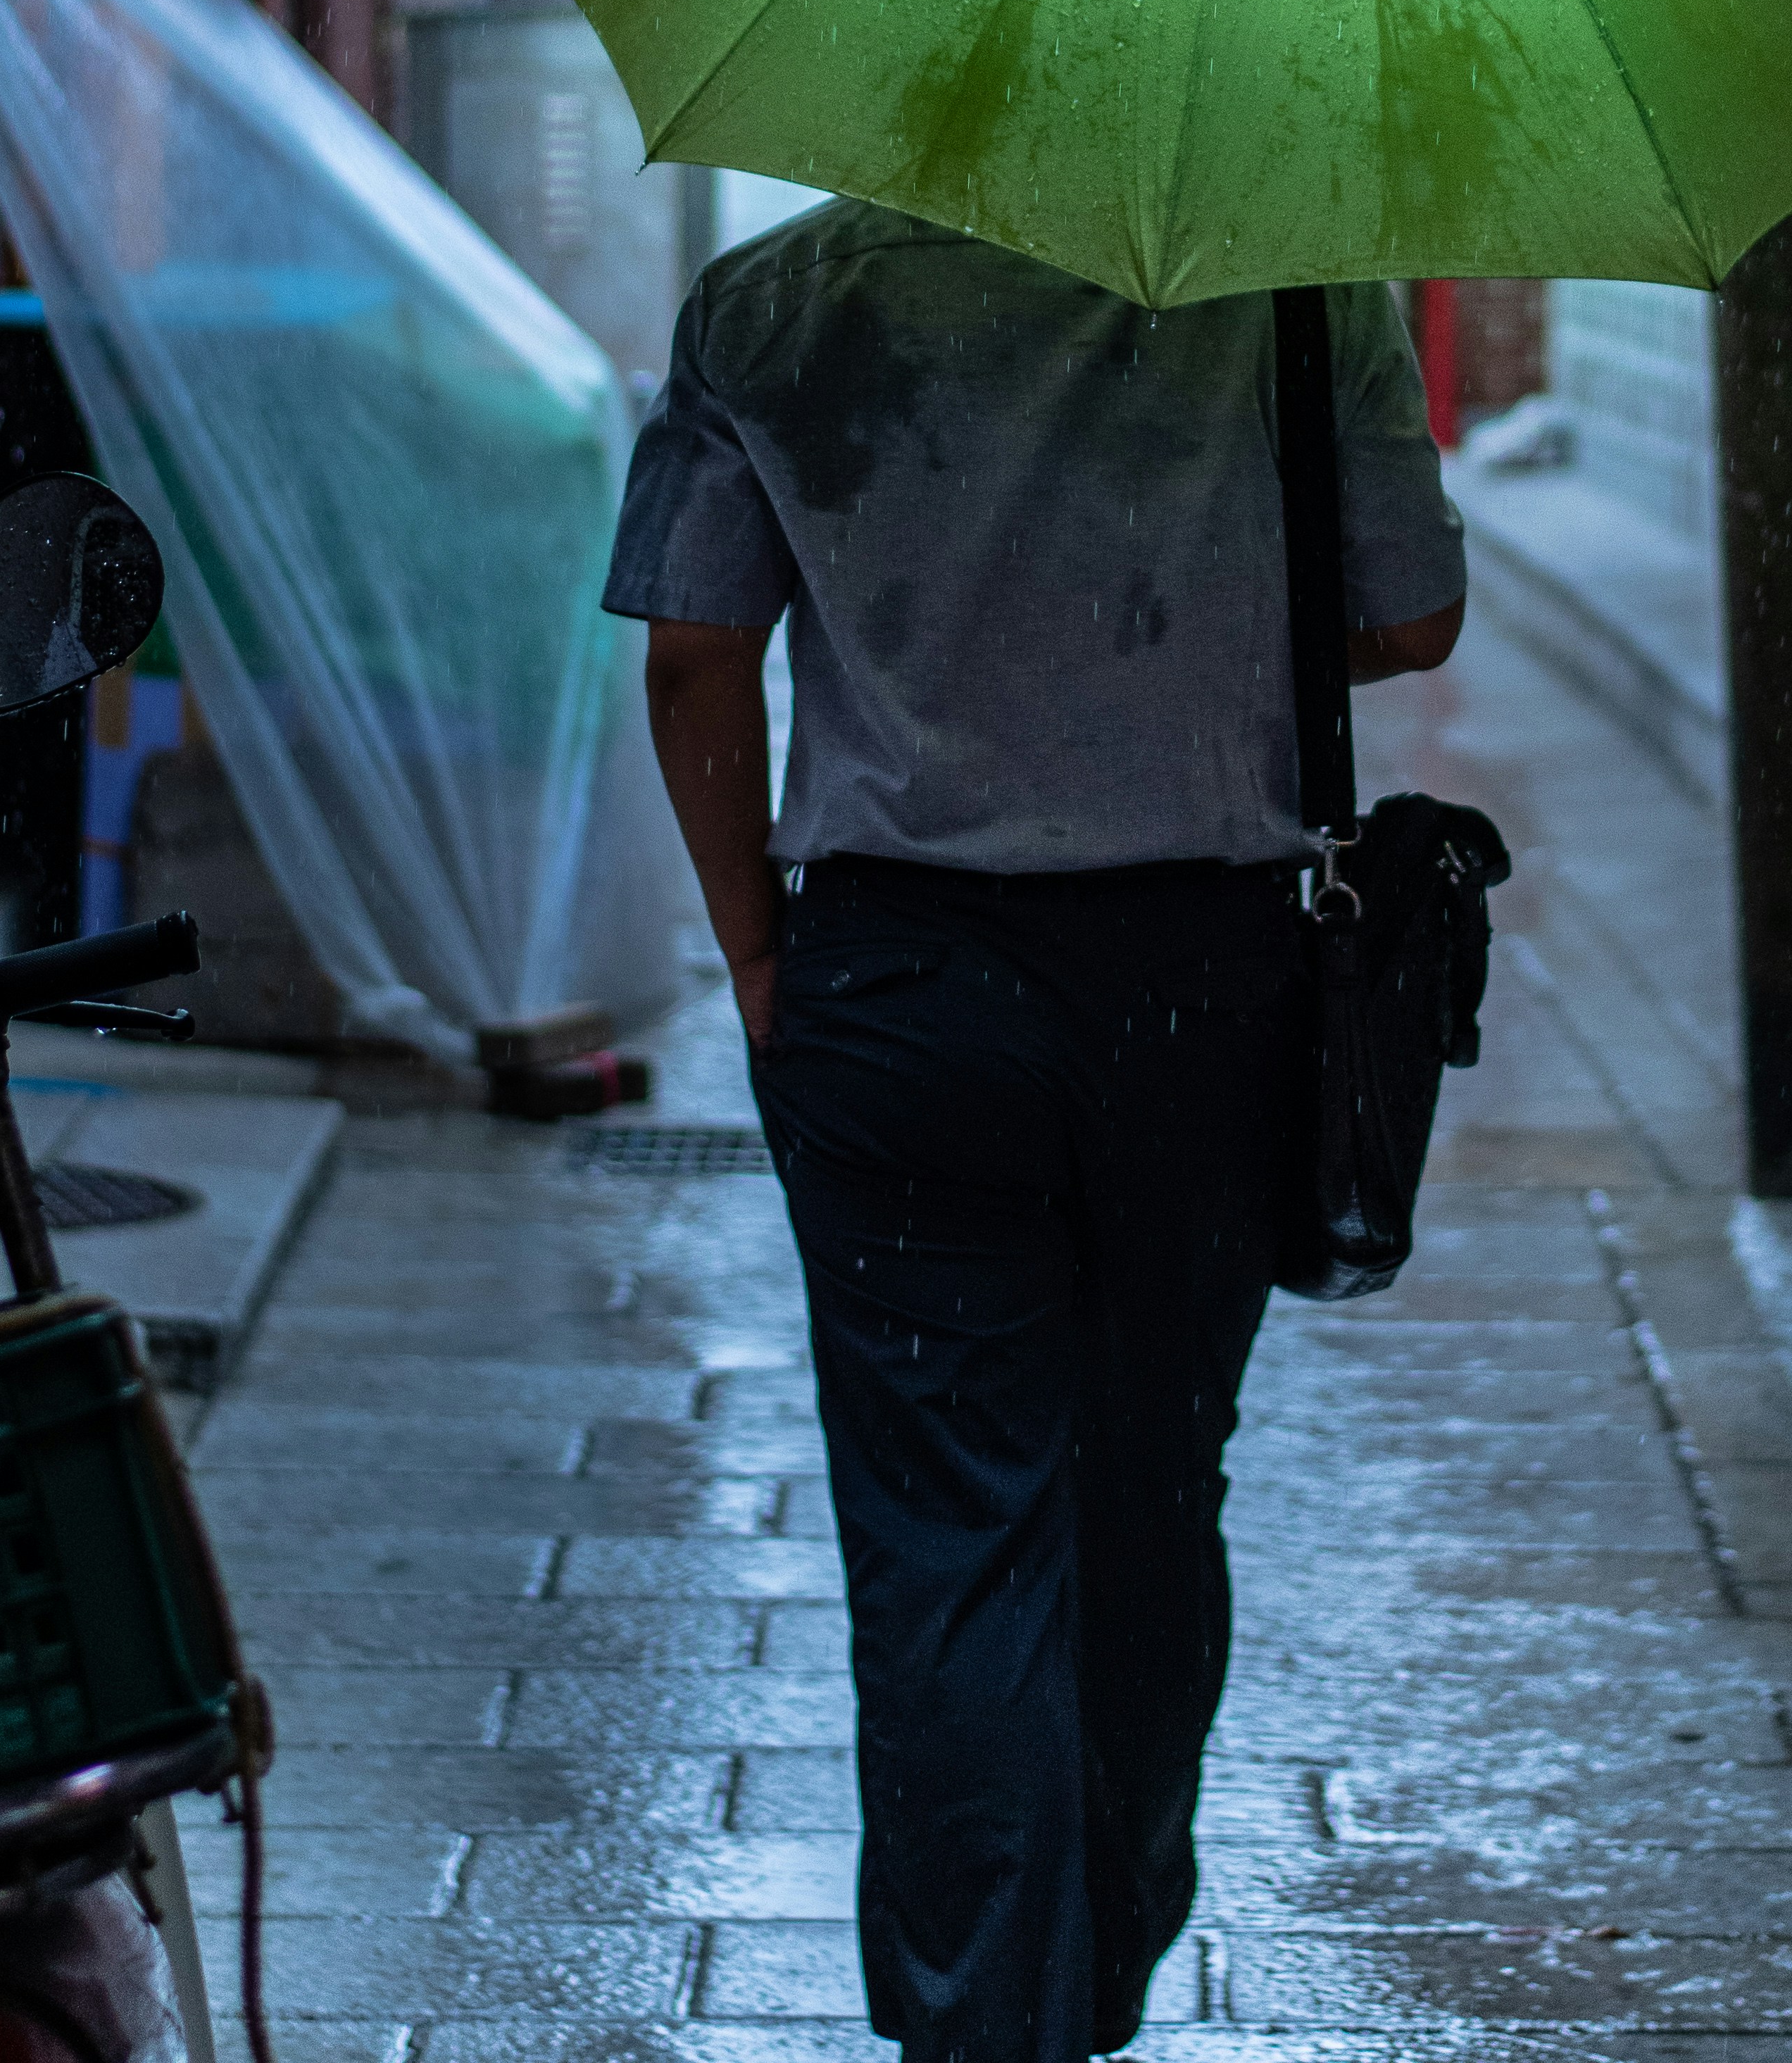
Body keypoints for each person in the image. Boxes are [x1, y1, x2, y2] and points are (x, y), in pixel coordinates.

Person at [606, 199, 1465, 2063]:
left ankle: (983, 2016)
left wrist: (755, 956)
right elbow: (1411, 618)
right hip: (1203, 996)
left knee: (947, 1535)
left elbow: (693, 652)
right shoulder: (1298, 282)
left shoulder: (772, 300)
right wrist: (1169, 589)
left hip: (901, 987)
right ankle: (1096, 1973)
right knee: (1150, 1501)